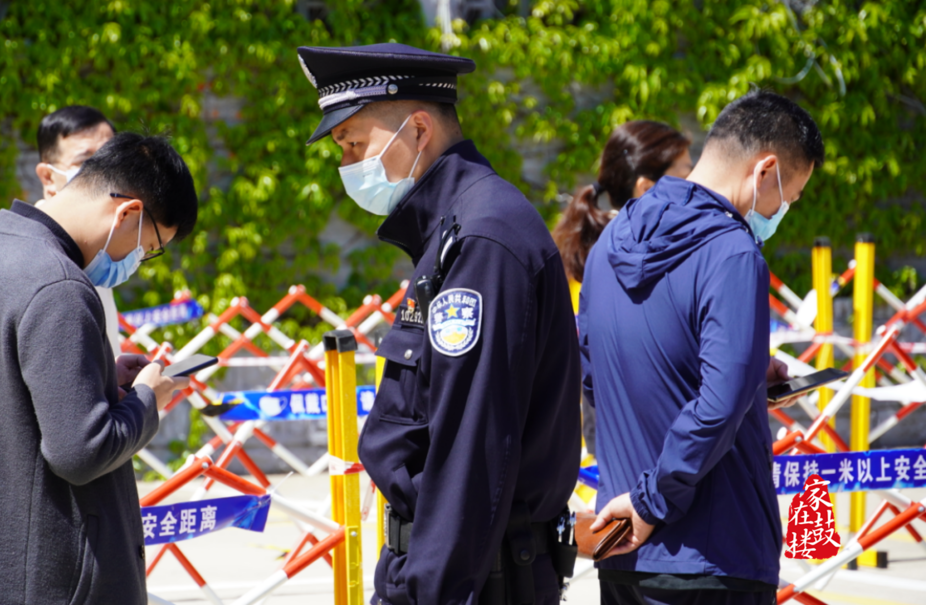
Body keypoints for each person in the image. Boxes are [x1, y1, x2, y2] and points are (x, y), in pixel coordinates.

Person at [297, 43, 581, 605]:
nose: (349, 164)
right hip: (460, 570)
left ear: (418, 130)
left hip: (473, 579)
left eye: (355, 143)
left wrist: (430, 591)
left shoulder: (482, 240)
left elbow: (468, 451)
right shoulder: (457, 229)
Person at [0, 133, 199, 605]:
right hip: (45, 575)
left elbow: (8, 391)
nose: (139, 262)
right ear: (127, 213)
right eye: (149, 247)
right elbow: (82, 452)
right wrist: (147, 400)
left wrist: (103, 375)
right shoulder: (60, 286)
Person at [579, 91, 824, 605]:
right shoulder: (733, 252)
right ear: (766, 171)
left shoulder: (609, 244)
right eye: (790, 195)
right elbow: (719, 404)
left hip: (623, 550)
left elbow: (593, 374)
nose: (782, 212)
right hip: (714, 557)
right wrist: (652, 500)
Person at [551, 121, 692, 458]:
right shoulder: (634, 257)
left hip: (616, 438)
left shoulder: (595, 246)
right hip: (644, 445)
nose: (696, 188)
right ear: (645, 188)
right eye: (687, 176)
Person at [34, 105, 123, 358]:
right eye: (86, 162)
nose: (104, 173)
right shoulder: (44, 260)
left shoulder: (92, 247)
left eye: (111, 157)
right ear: (48, 177)